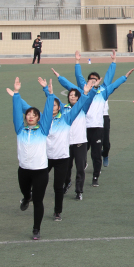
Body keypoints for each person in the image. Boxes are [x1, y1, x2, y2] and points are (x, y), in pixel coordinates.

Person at [16, 78, 98, 221]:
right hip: (45, 158)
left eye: (55, 105)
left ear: (59, 107)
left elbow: (78, 107)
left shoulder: (66, 119)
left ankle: (57, 211)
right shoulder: (42, 119)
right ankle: (28, 197)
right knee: (35, 181)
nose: (53, 107)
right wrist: (16, 96)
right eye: (51, 105)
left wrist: (85, 94)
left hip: (62, 158)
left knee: (58, 187)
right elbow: (27, 108)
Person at [57, 51, 133, 187]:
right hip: (83, 128)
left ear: (99, 81)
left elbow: (113, 83)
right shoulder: (82, 91)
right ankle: (73, 176)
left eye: (95, 80)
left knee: (96, 154)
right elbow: (74, 80)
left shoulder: (103, 91)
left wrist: (121, 72)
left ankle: (95, 176)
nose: (92, 81)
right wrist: (76, 63)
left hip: (97, 127)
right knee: (80, 154)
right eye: (90, 80)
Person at [10, 76, 56, 240]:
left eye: (34, 114)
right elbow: (16, 112)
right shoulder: (20, 130)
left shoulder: (43, 130)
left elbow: (48, 114)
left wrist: (50, 94)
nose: (30, 116)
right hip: (23, 170)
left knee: (38, 201)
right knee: (26, 192)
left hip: (40, 172)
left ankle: (36, 229)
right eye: (28, 114)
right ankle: (26, 197)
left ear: (38, 118)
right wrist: (16, 93)